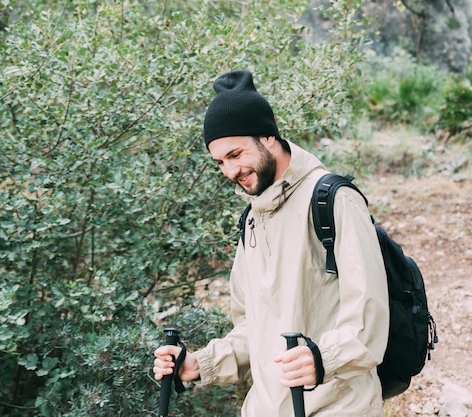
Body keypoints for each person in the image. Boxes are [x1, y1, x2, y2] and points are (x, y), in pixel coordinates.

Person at [153, 69, 389, 416]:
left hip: (336, 406)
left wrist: (322, 359)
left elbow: (368, 319)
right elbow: (255, 328)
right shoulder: (251, 219)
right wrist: (200, 364)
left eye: (236, 154)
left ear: (269, 136)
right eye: (219, 162)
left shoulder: (332, 200)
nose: (230, 171)